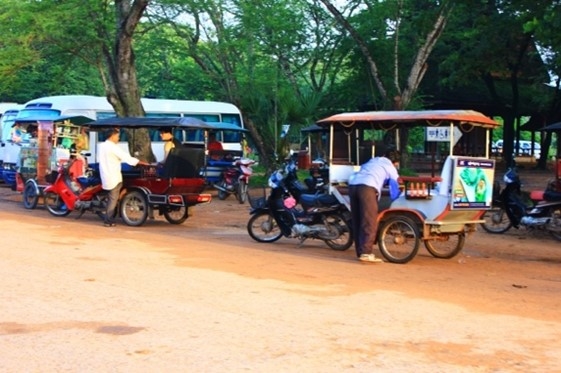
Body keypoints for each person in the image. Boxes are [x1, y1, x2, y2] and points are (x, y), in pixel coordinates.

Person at [348, 148, 401, 263]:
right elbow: (395, 187)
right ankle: (366, 253)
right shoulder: (390, 167)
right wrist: (397, 200)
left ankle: (360, 252)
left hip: (353, 186)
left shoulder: (373, 160)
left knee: (358, 219)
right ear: (395, 162)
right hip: (367, 188)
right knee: (369, 221)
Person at [98, 128, 149, 227]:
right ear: (112, 136)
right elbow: (127, 158)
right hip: (113, 176)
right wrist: (142, 163)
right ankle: (108, 220)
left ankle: (112, 216)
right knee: (113, 199)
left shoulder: (102, 146)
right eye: (118, 136)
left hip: (105, 174)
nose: (118, 138)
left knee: (112, 198)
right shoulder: (113, 147)